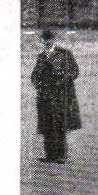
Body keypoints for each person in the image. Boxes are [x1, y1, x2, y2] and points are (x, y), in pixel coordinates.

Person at [31, 28, 81, 164]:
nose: (47, 42)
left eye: (49, 40)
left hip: (61, 95)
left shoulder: (64, 54)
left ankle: (61, 155)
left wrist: (63, 81)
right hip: (45, 96)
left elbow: (75, 71)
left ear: (53, 40)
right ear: (42, 41)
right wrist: (37, 84)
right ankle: (49, 155)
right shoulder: (41, 56)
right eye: (44, 40)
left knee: (60, 124)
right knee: (47, 125)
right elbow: (34, 75)